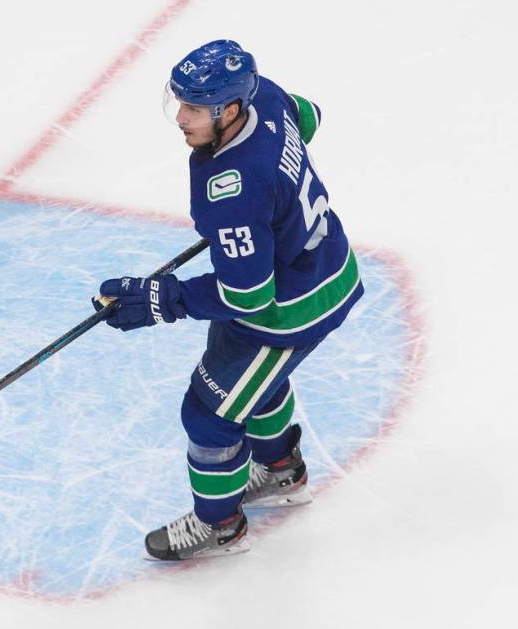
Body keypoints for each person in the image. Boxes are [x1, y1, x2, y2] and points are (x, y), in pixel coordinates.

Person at [94, 40, 363, 561]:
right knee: (256, 386)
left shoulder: (232, 190)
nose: (181, 118)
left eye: (195, 108)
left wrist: (159, 299)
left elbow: (247, 294)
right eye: (180, 103)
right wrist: (271, 211)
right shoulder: (269, 96)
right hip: (327, 266)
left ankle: (220, 526)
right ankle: (282, 472)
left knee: (209, 414)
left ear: (231, 109)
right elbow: (309, 119)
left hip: (285, 309)